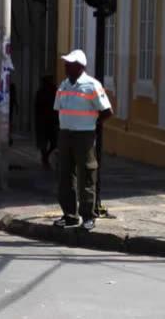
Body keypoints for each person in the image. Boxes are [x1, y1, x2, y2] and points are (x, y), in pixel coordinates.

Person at [53, 50, 113, 231]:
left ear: (80, 67)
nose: (65, 67)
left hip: (84, 135)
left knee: (86, 174)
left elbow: (107, 111)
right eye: (65, 64)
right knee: (65, 174)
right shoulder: (63, 86)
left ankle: (88, 216)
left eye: (69, 64)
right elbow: (58, 109)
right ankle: (70, 215)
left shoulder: (92, 85)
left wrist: (92, 125)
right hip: (65, 134)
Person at [34, 75, 59, 170]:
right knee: (47, 142)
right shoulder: (43, 92)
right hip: (46, 120)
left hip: (49, 121)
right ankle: (45, 158)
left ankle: (45, 157)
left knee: (52, 142)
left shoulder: (53, 91)